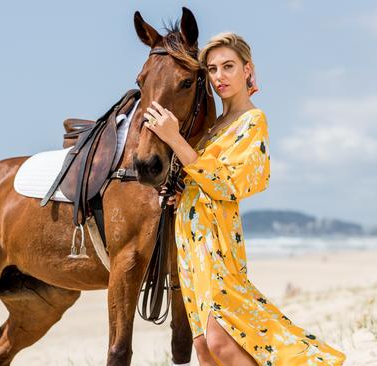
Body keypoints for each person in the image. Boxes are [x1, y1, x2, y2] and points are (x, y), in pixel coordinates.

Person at [143, 32, 346, 366]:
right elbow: (203, 179)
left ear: (247, 70)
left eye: (228, 66)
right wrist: (182, 194)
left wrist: (174, 138)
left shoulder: (253, 120)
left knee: (221, 342)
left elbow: (231, 184)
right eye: (212, 69)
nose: (220, 76)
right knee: (204, 349)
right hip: (191, 245)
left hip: (218, 244)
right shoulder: (215, 126)